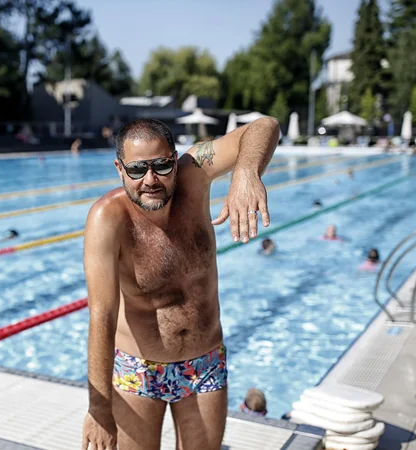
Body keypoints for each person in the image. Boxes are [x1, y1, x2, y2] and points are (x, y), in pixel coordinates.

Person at [82, 117, 279, 450]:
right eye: (137, 170)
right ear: (119, 169)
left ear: (176, 159)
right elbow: (101, 315)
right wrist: (98, 408)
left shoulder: (194, 174)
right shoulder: (108, 218)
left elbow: (265, 126)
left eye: (161, 165)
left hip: (204, 364)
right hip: (139, 370)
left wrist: (246, 172)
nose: (150, 180)